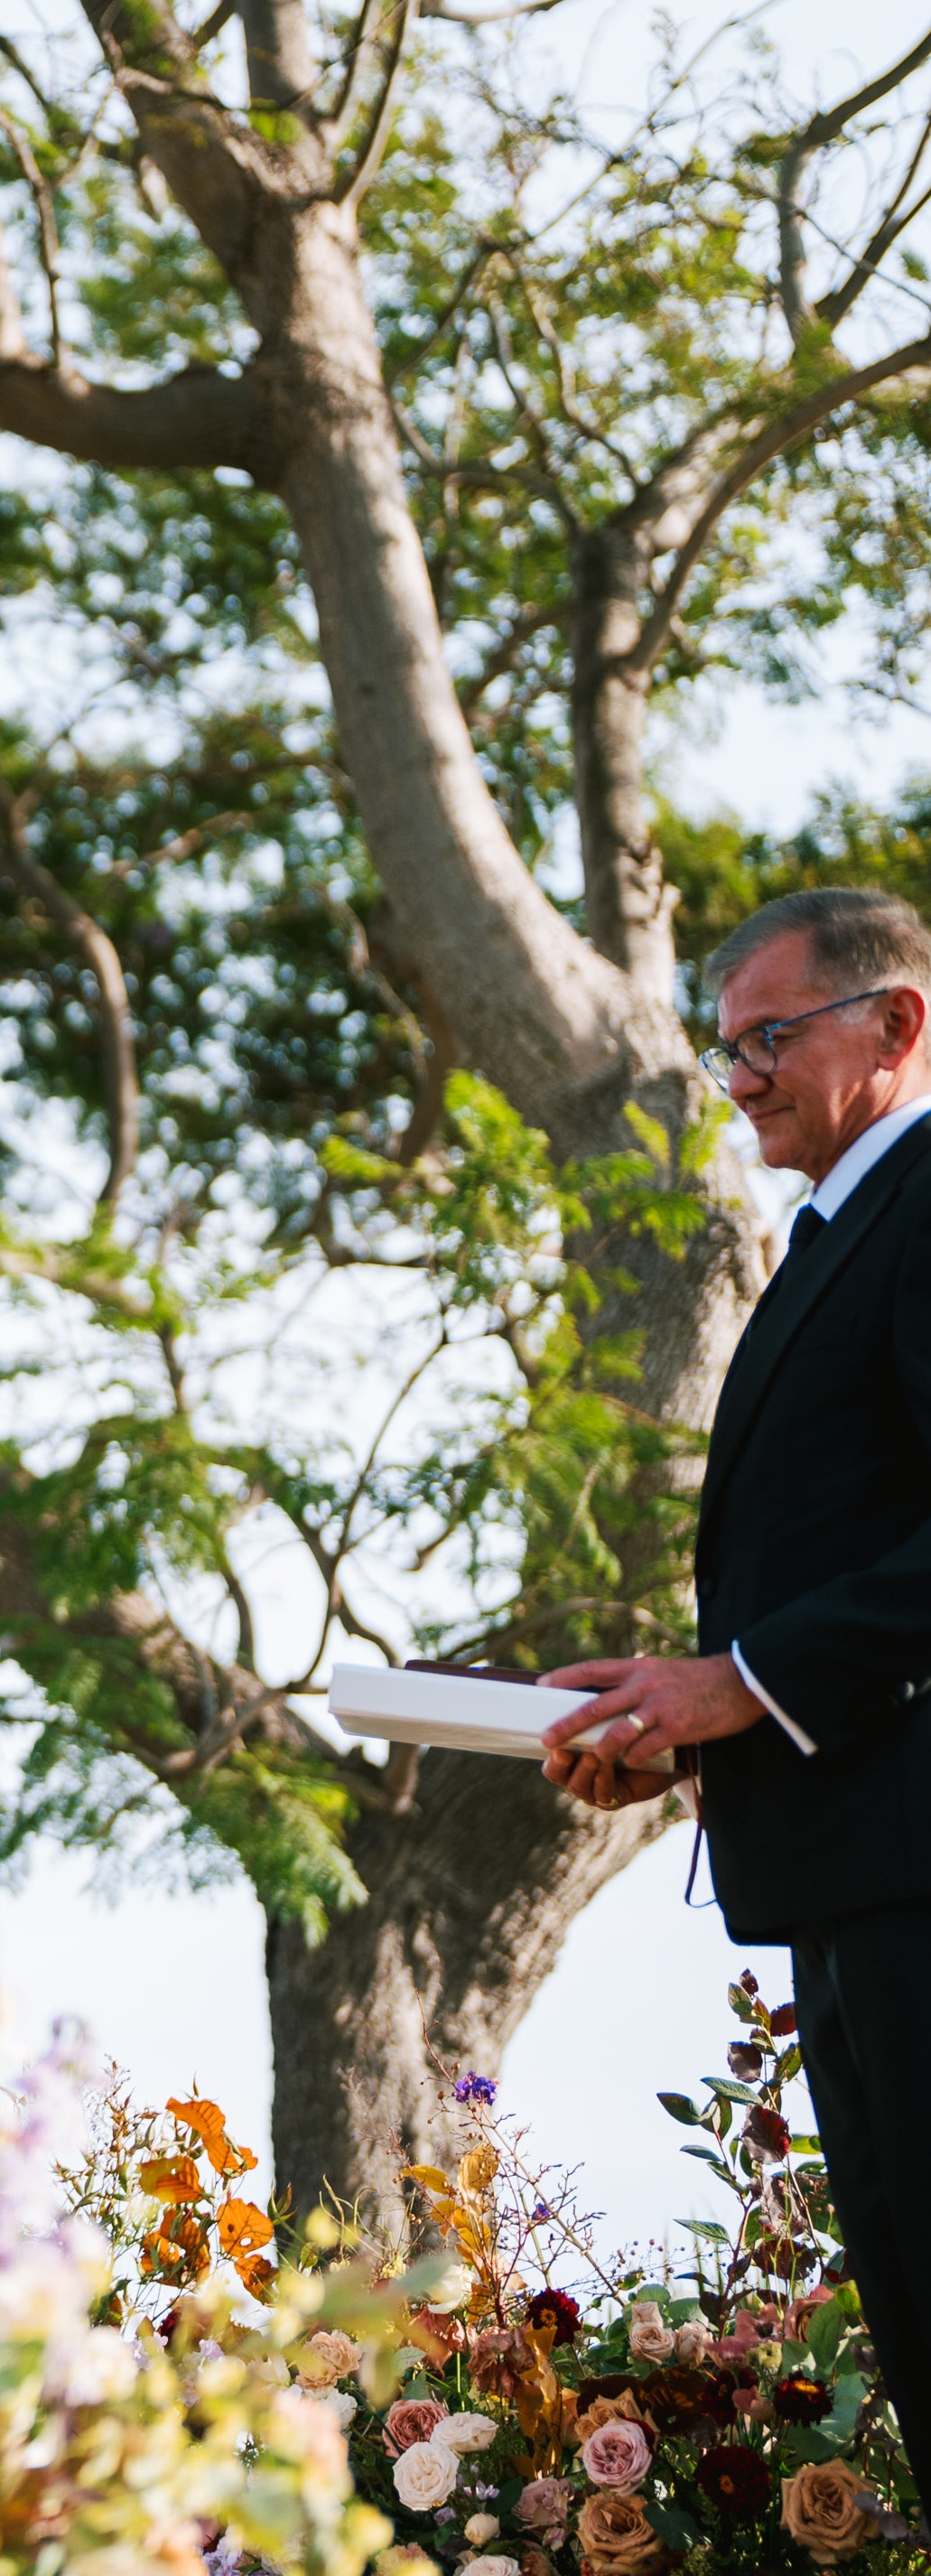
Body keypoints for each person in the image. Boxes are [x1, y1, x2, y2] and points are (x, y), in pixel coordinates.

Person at [542, 884, 931, 2413]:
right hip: (847, 1874)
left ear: (897, 1021)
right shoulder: (836, 1226)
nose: (743, 1077)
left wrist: (739, 1681)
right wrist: (692, 1728)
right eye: (728, 1050)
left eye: (770, 1036)